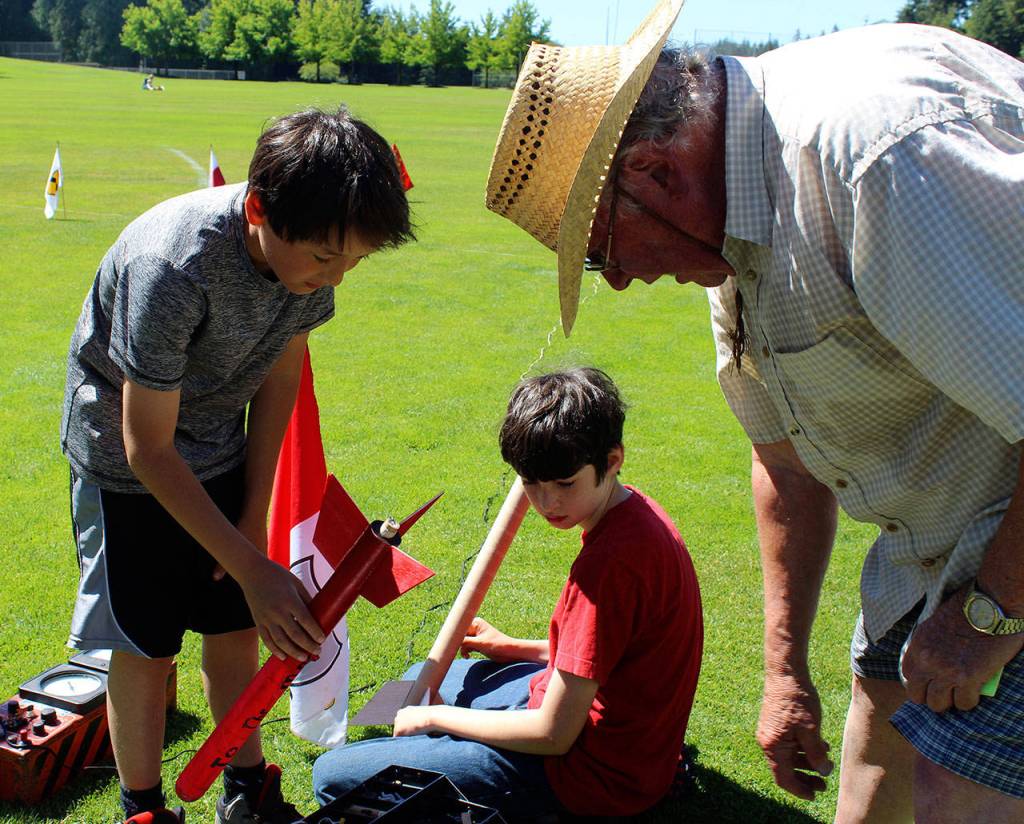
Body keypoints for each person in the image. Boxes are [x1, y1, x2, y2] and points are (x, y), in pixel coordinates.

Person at [484, 1, 1024, 821]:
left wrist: (993, 611)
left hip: (1004, 554)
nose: (620, 281)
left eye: (601, 253)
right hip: (927, 558)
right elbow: (784, 460)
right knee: (871, 787)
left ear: (657, 173)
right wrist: (783, 669)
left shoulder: (876, 159)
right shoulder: (729, 245)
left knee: (957, 801)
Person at [61, 106, 413, 824]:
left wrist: (251, 522)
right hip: (127, 468)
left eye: (354, 260)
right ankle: (144, 807)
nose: (338, 274)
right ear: (258, 208)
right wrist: (254, 567)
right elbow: (148, 446)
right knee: (145, 645)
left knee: (233, 632)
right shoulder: (173, 267)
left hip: (219, 447)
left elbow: (282, 378)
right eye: (325, 257)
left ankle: (245, 788)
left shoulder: (312, 255)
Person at [312, 367, 703, 820]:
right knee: (421, 674)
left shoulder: (611, 565)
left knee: (334, 775)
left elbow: (553, 733)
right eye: (532, 483)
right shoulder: (632, 509)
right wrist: (512, 648)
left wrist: (434, 720)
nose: (547, 503)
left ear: (613, 459)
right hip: (607, 737)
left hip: (587, 778)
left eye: (564, 484)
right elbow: (614, 654)